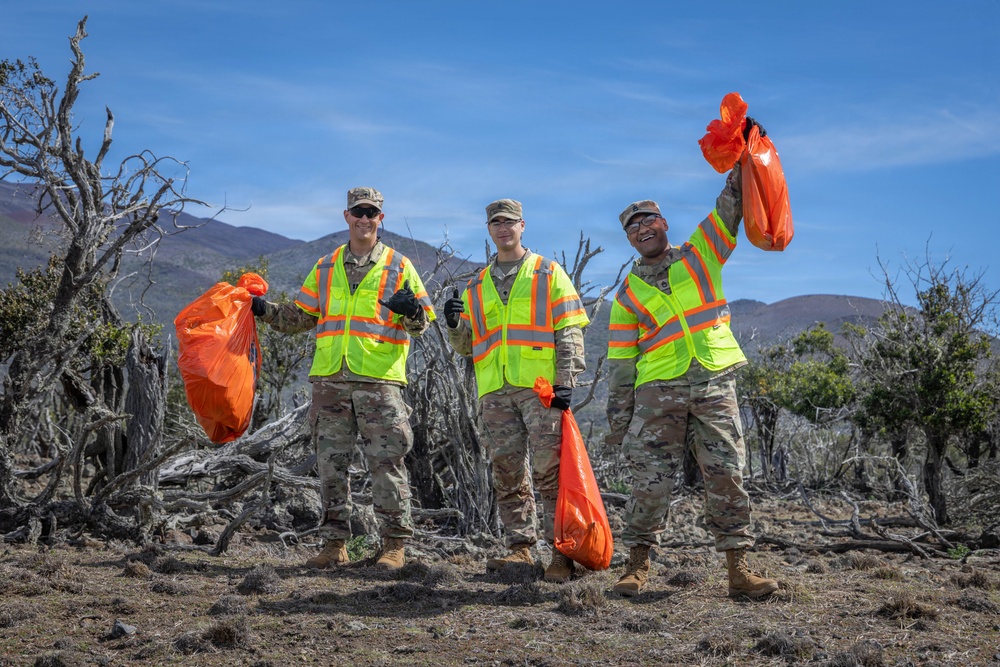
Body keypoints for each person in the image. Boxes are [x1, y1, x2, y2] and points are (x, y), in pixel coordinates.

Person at [605, 119, 779, 598]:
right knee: (650, 483)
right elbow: (621, 364)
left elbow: (732, 204)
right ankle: (636, 567)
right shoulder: (627, 296)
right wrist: (618, 426)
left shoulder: (701, 253)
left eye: (649, 221)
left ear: (664, 224)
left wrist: (746, 148)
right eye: (633, 226)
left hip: (713, 382)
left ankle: (739, 571)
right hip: (656, 394)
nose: (643, 229)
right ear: (629, 239)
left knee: (727, 475)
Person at [251, 186, 435, 571]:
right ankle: (335, 544)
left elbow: (422, 324)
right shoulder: (325, 266)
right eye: (358, 212)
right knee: (331, 464)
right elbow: (301, 316)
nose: (364, 218)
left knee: (387, 463)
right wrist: (264, 310)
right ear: (346, 216)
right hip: (330, 381)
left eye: (371, 212)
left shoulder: (399, 266)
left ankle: (394, 547)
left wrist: (412, 310)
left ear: (380, 219)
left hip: (379, 381)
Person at [443, 198, 589, 583]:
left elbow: (570, 330)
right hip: (494, 391)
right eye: (496, 223)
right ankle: (520, 549)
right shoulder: (475, 284)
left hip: (539, 390)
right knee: (506, 473)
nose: (503, 229)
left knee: (550, 473)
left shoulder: (547, 272)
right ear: (489, 230)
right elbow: (466, 346)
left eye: (510, 222)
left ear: (523, 226)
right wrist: (454, 324)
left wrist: (566, 381)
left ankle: (562, 554)